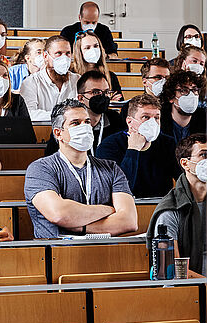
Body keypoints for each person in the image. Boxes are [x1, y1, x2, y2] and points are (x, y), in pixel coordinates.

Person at [23, 99, 138, 238]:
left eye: (87, 122)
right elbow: (59, 214)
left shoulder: (112, 169)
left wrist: (81, 227)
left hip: (106, 252)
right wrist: (109, 210)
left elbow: (129, 221)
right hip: (58, 254)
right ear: (58, 133)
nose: (84, 127)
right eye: (75, 123)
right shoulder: (40, 169)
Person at [96, 94, 181, 198]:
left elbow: (182, 179)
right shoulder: (109, 146)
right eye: (146, 117)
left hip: (162, 207)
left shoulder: (168, 143)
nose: (152, 123)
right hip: (125, 208)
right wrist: (133, 150)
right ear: (130, 121)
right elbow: (119, 189)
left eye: (157, 118)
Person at [146, 133, 207, 275]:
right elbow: (172, 270)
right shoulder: (170, 210)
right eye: (203, 155)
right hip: (194, 288)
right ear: (185, 163)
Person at [44, 70, 125, 156]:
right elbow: (51, 156)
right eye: (95, 92)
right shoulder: (67, 122)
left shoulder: (116, 120)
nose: (102, 96)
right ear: (81, 98)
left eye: (106, 92)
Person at [19, 35, 80, 121]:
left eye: (67, 53)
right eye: (58, 53)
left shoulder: (77, 80)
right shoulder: (31, 82)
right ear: (45, 56)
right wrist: (64, 116)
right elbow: (29, 113)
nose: (64, 58)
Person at [70, 30, 123, 101]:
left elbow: (119, 99)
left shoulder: (111, 76)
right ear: (79, 52)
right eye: (87, 48)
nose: (93, 50)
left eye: (96, 46)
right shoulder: (71, 75)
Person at [160, 70, 207, 144]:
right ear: (171, 97)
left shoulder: (206, 121)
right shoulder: (159, 123)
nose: (191, 95)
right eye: (184, 90)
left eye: (194, 90)